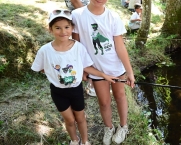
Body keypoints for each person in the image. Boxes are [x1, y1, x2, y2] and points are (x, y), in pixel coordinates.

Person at [31, 9, 118, 145]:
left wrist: (103, 75)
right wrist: (53, 72)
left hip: (76, 90)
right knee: (70, 120)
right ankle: (74, 140)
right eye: (57, 28)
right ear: (50, 29)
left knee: (80, 118)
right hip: (58, 92)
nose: (63, 31)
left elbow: (86, 66)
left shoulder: (78, 47)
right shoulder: (45, 50)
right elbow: (40, 67)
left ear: (72, 28)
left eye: (66, 27)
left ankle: (85, 141)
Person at [71, 0, 135, 145]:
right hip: (97, 69)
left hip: (116, 67)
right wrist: (83, 69)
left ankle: (123, 126)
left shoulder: (113, 17)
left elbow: (120, 47)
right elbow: (77, 45)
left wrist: (129, 72)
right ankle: (109, 127)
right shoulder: (77, 15)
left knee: (120, 96)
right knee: (104, 101)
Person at [62, 0, 95, 97]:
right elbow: (75, 0)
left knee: (88, 49)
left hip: (83, 16)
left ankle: (90, 81)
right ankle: (87, 82)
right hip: (79, 18)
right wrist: (86, 18)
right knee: (83, 50)